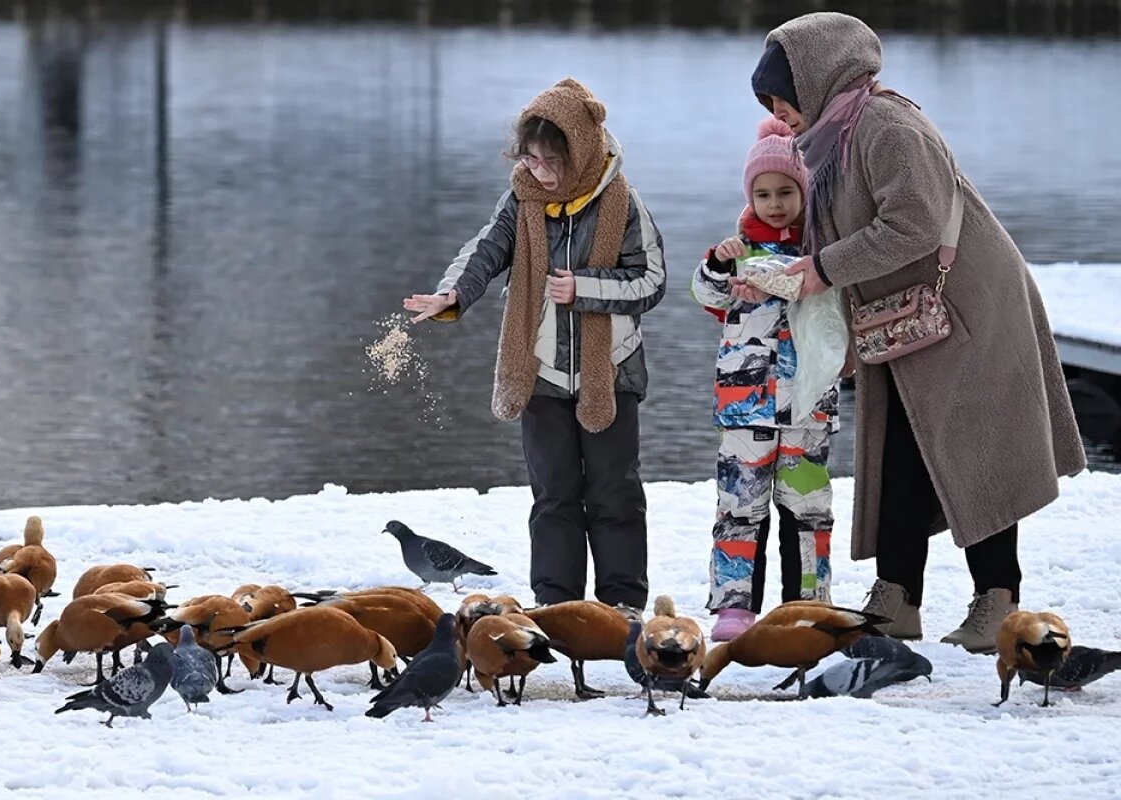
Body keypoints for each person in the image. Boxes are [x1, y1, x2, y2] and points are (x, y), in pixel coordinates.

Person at [750, 12, 1085, 652]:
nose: (778, 113)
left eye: (781, 97)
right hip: (905, 317)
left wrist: (823, 270)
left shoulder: (886, 125)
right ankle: (897, 597)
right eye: (769, 103)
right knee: (899, 449)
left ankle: (998, 600)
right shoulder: (834, 134)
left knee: (975, 448)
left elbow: (914, 225)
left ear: (818, 79)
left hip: (966, 308)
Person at [403, 78, 666, 614]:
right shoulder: (521, 200)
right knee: (553, 495)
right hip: (541, 372)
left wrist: (584, 288)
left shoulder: (622, 201)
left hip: (611, 372)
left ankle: (622, 606)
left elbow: (652, 281)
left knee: (615, 494)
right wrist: (452, 294)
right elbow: (484, 250)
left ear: (580, 152)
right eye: (531, 158)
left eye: (552, 161)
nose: (540, 171)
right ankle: (556, 606)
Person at [691, 117, 837, 642]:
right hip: (743, 408)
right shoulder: (737, 253)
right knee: (739, 506)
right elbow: (707, 295)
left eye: (785, 192)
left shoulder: (823, 254)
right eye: (763, 194)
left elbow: (838, 317)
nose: (774, 204)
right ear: (750, 197)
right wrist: (717, 264)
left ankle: (807, 603)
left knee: (808, 510)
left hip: (808, 407)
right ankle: (734, 608)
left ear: (804, 192)